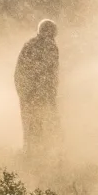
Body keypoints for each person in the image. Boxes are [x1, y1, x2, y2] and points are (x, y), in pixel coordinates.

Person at [15, 19, 60, 155]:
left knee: (30, 126)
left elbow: (19, 72)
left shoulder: (29, 44)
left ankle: (30, 154)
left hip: (27, 93)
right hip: (39, 94)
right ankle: (41, 157)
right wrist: (50, 95)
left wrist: (23, 93)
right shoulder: (50, 46)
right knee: (43, 124)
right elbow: (50, 73)